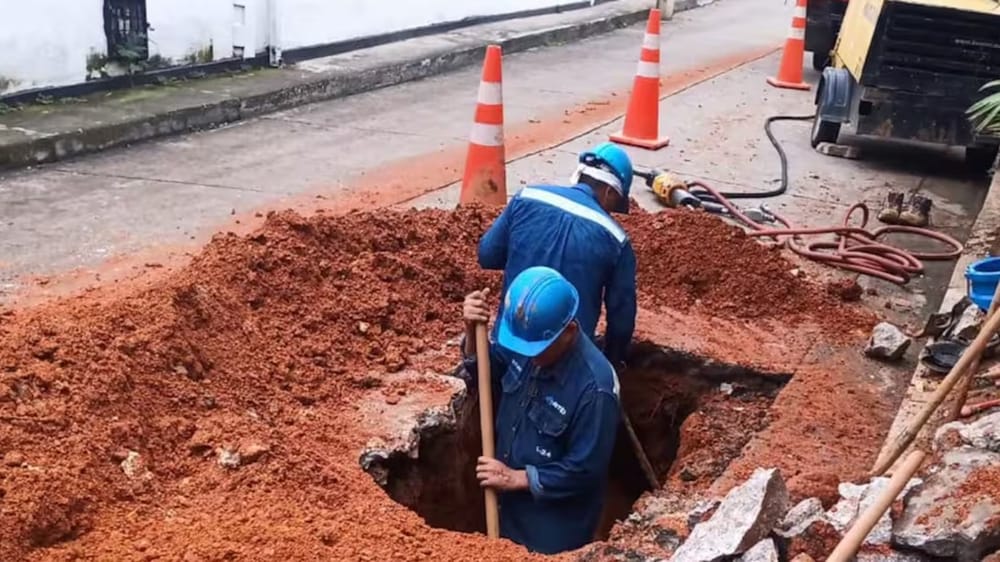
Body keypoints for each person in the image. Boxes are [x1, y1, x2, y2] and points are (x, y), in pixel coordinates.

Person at [461, 266, 620, 555]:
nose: (530, 357)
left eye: (537, 350)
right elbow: (488, 373)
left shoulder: (595, 390)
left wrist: (516, 478)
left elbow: (584, 470)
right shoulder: (529, 338)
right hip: (504, 505)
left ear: (569, 331)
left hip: (551, 527)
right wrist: (473, 333)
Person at [478, 142, 637, 367]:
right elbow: (621, 321)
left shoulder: (526, 198)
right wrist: (611, 363)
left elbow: (487, 256)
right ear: (611, 192)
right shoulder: (616, 240)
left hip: (510, 346)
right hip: (565, 367)